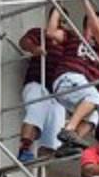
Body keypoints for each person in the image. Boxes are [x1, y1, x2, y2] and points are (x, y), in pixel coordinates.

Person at [46, 0, 99, 151]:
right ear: (87, 24)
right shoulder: (73, 37)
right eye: (97, 22)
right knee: (95, 98)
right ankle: (69, 130)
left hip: (76, 86)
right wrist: (57, 8)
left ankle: (67, 144)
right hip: (68, 78)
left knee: (94, 116)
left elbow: (98, 32)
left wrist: (84, 0)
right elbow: (50, 32)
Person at [16, 21, 65, 162]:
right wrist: (34, 48)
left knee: (55, 127)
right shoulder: (41, 34)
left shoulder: (67, 44)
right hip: (37, 82)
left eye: (64, 22)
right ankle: (25, 149)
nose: (62, 25)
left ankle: (42, 167)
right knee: (35, 112)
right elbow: (24, 42)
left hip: (56, 93)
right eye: (59, 21)